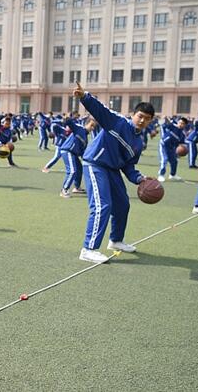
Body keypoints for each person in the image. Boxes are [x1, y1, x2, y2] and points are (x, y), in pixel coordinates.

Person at [73, 82, 155, 264]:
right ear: (134, 115)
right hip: (95, 164)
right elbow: (100, 110)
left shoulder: (138, 144)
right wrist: (83, 96)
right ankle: (88, 249)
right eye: (140, 116)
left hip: (112, 170)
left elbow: (129, 167)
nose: (142, 120)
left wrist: (140, 178)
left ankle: (116, 241)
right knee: (103, 205)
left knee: (123, 204)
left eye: (147, 118)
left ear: (150, 121)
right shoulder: (117, 122)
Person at [59, 117, 96, 198]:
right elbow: (69, 123)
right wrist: (67, 119)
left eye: (94, 127)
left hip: (74, 154)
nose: (92, 128)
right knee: (72, 171)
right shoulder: (79, 128)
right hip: (67, 151)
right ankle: (64, 190)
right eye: (91, 125)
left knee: (79, 169)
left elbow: (82, 153)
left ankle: (77, 187)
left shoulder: (85, 138)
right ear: (86, 124)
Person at [157, 117, 187, 182]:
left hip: (171, 148)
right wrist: (164, 118)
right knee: (164, 160)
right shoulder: (172, 126)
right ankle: (161, 175)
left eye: (182, 123)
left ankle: (172, 175)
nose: (180, 124)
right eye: (180, 122)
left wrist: (182, 150)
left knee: (174, 161)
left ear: (185, 125)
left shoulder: (182, 135)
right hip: (163, 145)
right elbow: (166, 123)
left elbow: (181, 144)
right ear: (178, 122)